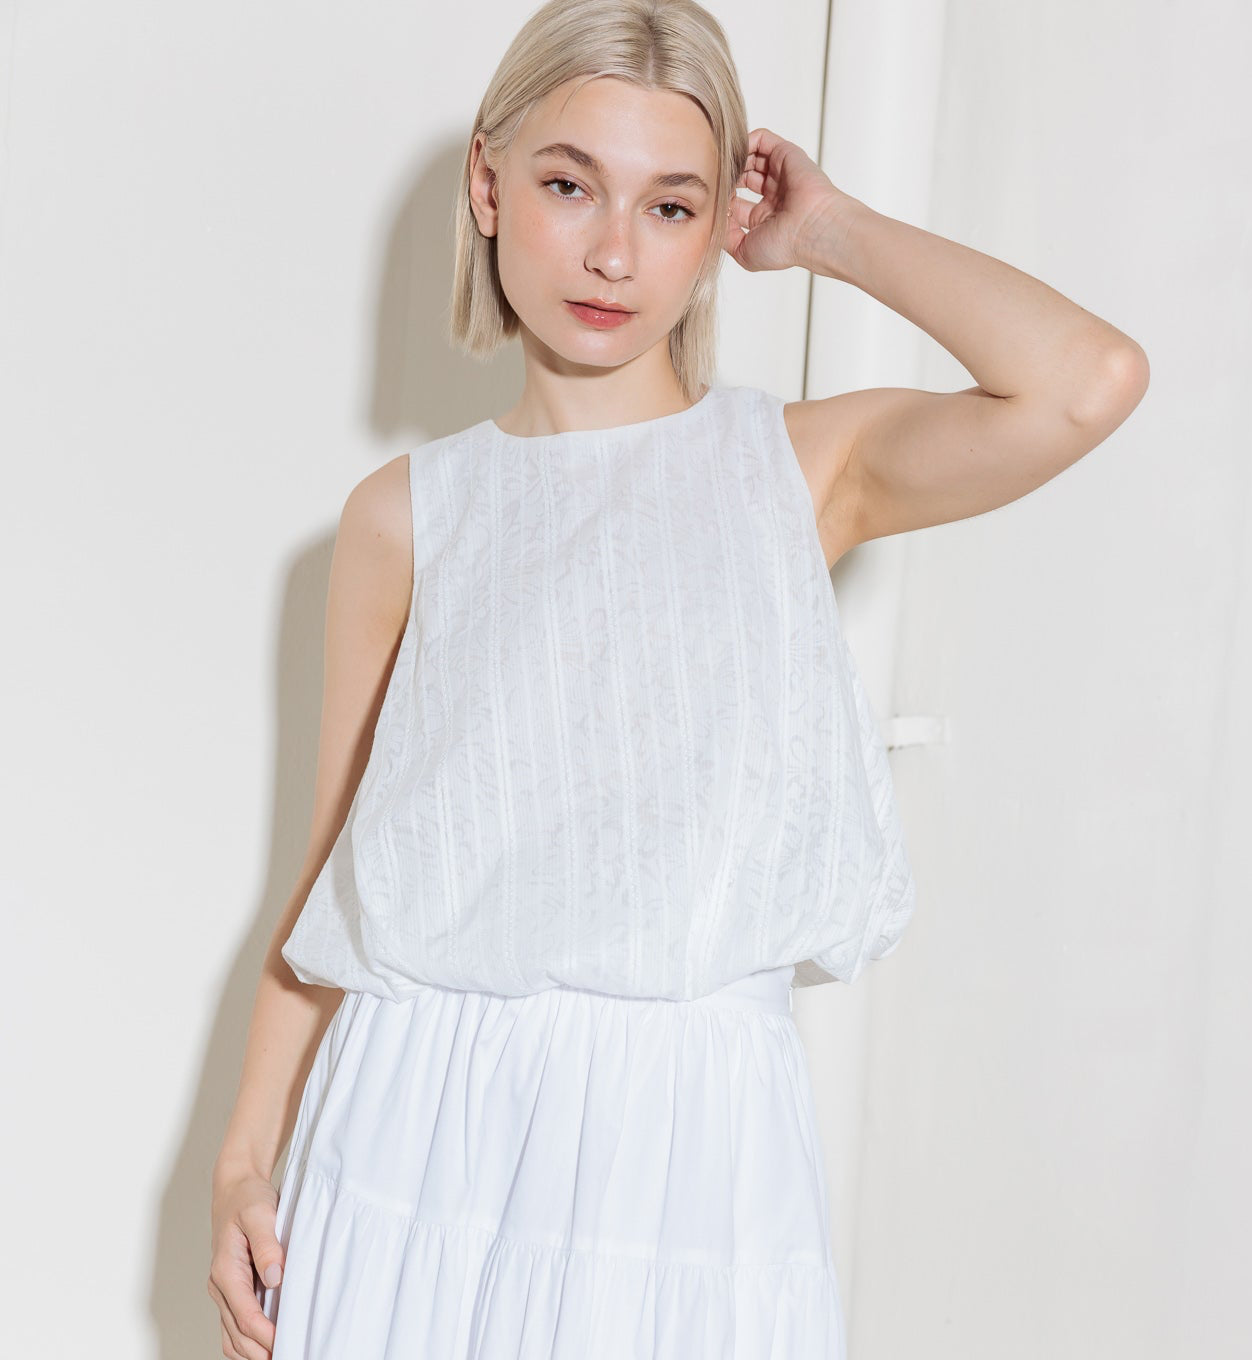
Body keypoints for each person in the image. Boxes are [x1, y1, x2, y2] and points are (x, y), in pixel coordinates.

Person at [207, 0, 1148, 1355]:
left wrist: (827, 234)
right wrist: (247, 1156)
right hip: (412, 1126)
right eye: (568, 182)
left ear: (718, 229)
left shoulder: (794, 471)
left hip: (684, 1148)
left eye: (669, 206)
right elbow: (332, 880)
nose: (610, 250)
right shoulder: (406, 514)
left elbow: (1088, 381)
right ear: (487, 182)